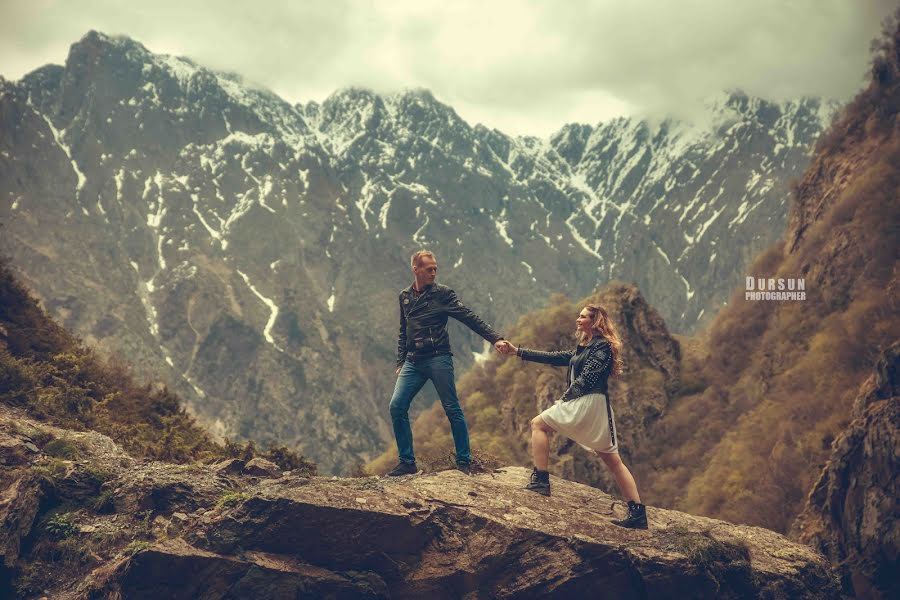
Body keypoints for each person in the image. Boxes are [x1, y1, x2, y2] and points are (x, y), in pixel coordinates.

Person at [496, 304, 648, 529]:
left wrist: (566, 398)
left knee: (538, 424)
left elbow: (587, 378)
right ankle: (637, 513)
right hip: (591, 404)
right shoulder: (585, 347)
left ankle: (541, 481)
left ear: (595, 321)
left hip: (587, 402)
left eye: (583, 316)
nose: (578, 319)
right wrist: (517, 351)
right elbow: (555, 357)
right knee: (612, 460)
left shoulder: (602, 347)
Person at [387, 250, 507, 477]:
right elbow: (404, 330)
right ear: (416, 269)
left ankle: (464, 461)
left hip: (438, 358)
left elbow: (469, 317)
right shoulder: (404, 296)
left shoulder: (443, 294)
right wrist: (400, 360)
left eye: (435, 269)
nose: (433, 273)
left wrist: (495, 338)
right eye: (428, 269)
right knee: (397, 406)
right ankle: (407, 462)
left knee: (452, 408)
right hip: (413, 361)